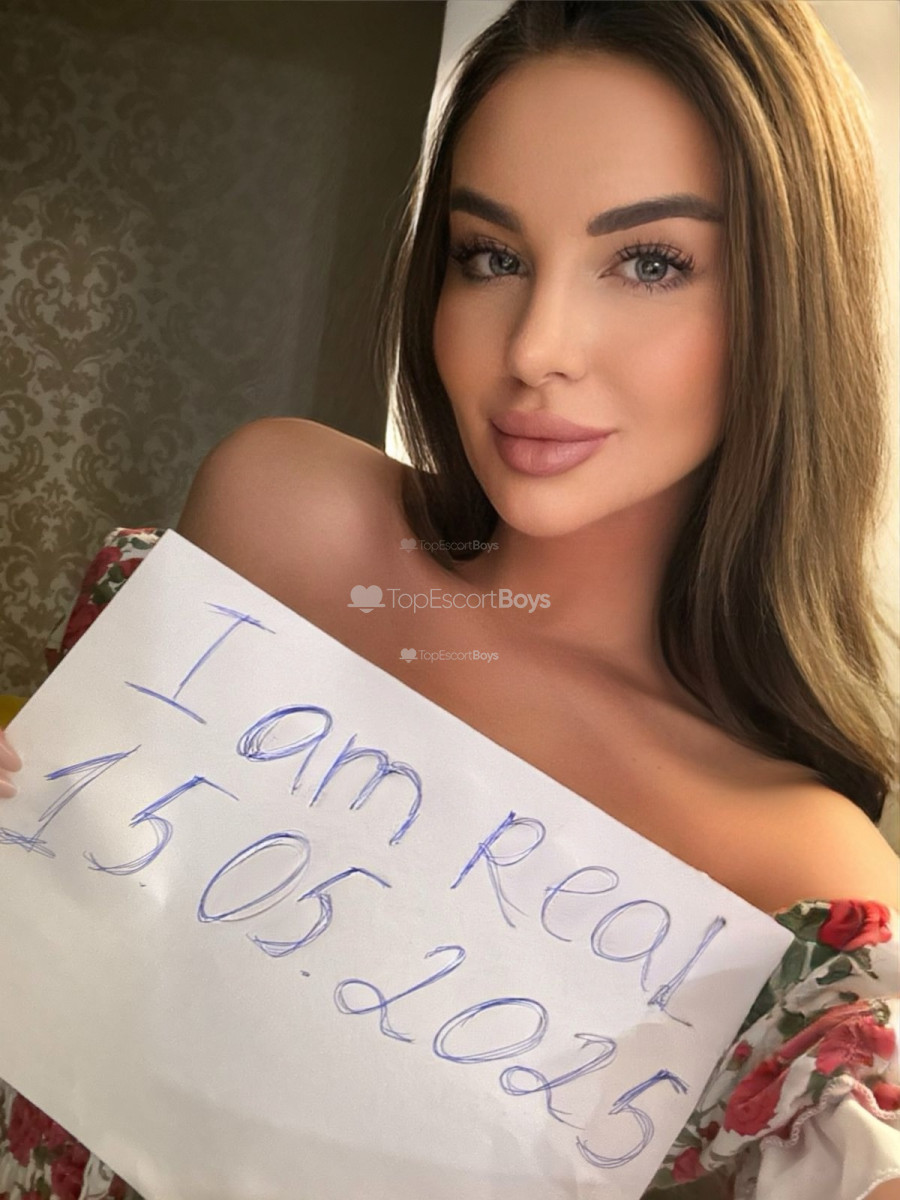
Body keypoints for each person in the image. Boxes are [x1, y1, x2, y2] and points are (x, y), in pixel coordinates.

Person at [1, 1, 898, 1196]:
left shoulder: (794, 870)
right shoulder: (286, 523)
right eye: (492, 255)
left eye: (650, 262)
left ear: (791, 304)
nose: (535, 346)